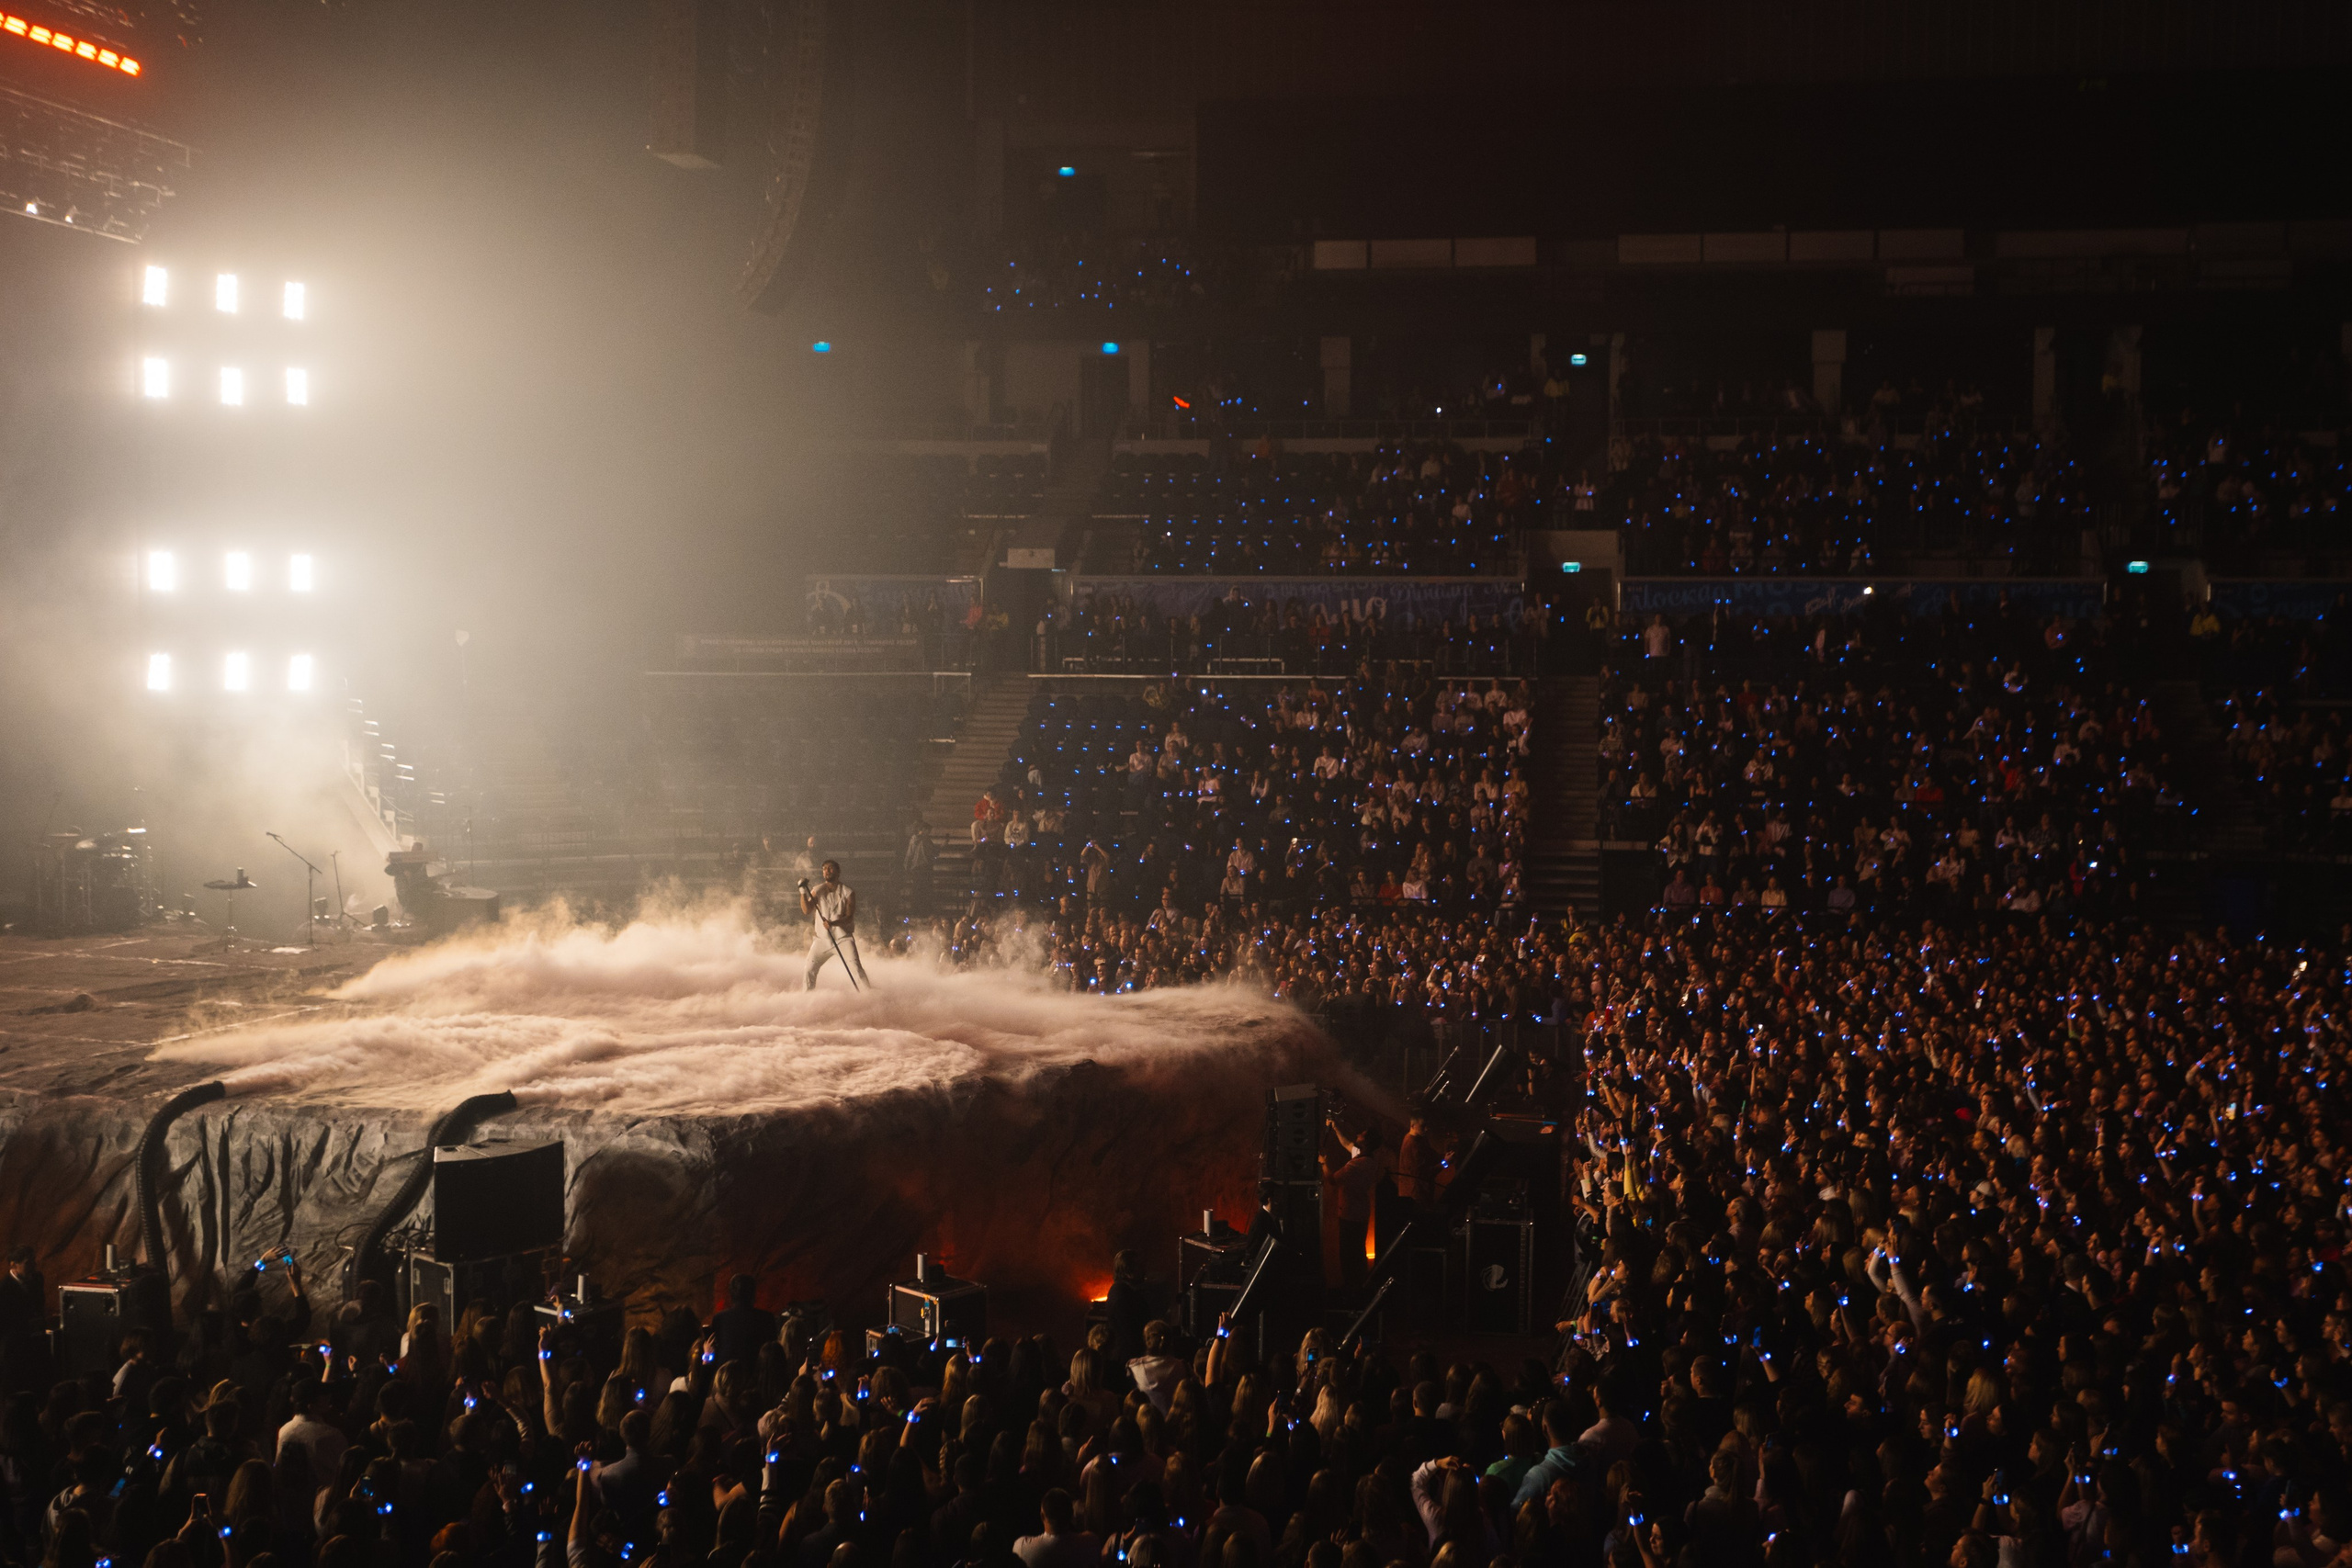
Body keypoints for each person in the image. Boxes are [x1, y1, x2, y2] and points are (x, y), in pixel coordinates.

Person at [800, 860, 869, 991]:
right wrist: (803, 892)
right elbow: (806, 910)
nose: (827, 871)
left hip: (843, 939)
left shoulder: (848, 892)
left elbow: (849, 918)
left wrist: (833, 923)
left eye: (830, 868)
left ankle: (869, 997)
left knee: (856, 968)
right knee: (808, 970)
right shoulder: (817, 890)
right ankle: (806, 999)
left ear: (838, 871)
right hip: (822, 940)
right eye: (824, 869)